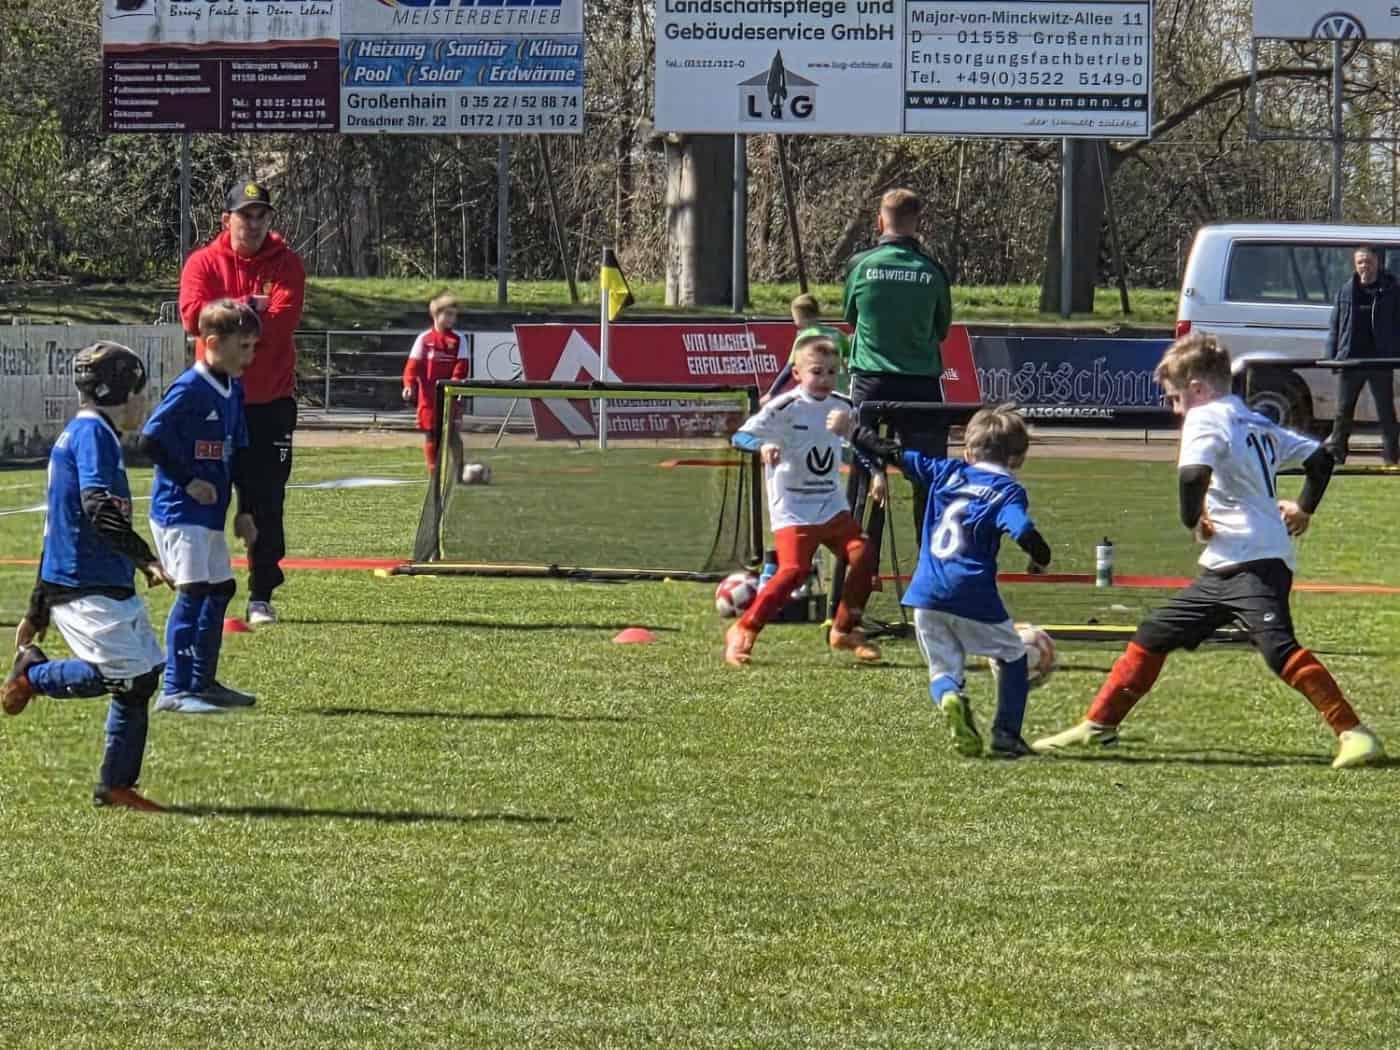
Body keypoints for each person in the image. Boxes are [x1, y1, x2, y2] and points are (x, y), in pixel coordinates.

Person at [1033, 333, 1385, 769]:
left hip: (1253, 561)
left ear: (1197, 389)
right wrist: (1304, 508)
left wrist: (1191, 517)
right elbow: (1320, 458)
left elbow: (1191, 475)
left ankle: (1355, 733)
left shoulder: (1204, 419)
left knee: (1278, 648)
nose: (1176, 409)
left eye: (1176, 398)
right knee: (1152, 635)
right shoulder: (1254, 420)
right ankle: (1098, 726)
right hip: (1229, 564)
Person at [1, 342, 174, 812]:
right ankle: (35, 675)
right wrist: (147, 558)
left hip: (97, 579)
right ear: (123, 393)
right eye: (142, 391)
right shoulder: (94, 436)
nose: (146, 401)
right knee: (123, 674)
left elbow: (54, 524)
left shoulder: (84, 435)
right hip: (86, 581)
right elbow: (97, 507)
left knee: (142, 677)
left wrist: (37, 607)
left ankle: (115, 785)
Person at [833, 404, 1052, 758]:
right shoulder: (1008, 491)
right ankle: (1006, 735)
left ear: (967, 451)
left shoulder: (943, 470)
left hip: (925, 594)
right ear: (1018, 459)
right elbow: (1023, 529)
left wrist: (852, 430)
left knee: (944, 670)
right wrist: (1040, 559)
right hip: (971, 592)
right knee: (1012, 656)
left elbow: (892, 452)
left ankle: (950, 695)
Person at [179, 176, 305, 626]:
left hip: (269, 404)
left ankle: (261, 594)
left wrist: (227, 311)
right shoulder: (202, 262)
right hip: (214, 403)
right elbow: (194, 319)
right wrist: (253, 307)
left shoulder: (287, 263)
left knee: (265, 501)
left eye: (260, 216)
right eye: (244, 216)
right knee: (204, 498)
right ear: (226, 219)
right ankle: (203, 591)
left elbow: (282, 321)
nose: (252, 224)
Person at [726, 335, 884, 668]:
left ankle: (843, 629)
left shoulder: (843, 405)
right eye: (817, 372)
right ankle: (744, 629)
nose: (825, 379)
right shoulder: (783, 407)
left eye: (831, 372)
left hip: (830, 504)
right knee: (794, 571)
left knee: (864, 554)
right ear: (797, 374)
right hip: (792, 507)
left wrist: (877, 475)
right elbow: (740, 436)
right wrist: (763, 446)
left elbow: (858, 446)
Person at [140, 299, 260, 714]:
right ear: (212, 342)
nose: (250, 356)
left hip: (210, 514)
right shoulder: (190, 388)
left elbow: (239, 451)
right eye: (243, 347)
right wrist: (188, 481)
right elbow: (150, 439)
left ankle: (203, 682)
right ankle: (174, 690)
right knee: (192, 592)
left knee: (222, 589)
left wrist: (244, 510)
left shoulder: (233, 388)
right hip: (179, 510)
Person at [841, 187, 953, 540]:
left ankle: (858, 565)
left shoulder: (861, 265)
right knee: (928, 477)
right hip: (920, 383)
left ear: (880, 221)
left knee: (862, 472)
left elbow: (849, 318)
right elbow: (942, 329)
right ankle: (929, 560)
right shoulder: (933, 271)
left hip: (870, 381)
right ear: (917, 223)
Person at [1323, 245, 1400, 465]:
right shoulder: (1346, 291)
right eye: (1360, 262)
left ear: (1377, 262)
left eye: (1368, 261)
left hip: (1380, 360)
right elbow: (1335, 325)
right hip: (1350, 360)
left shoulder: (1391, 290)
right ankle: (1337, 456)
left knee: (1386, 412)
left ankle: (1391, 457)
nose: (1364, 266)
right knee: (1343, 412)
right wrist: (1331, 357)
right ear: (1354, 265)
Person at [402, 293, 470, 473]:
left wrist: (454, 387)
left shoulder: (459, 339)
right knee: (431, 435)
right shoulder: (424, 339)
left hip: (450, 397)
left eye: (454, 315)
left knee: (453, 436)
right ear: (435, 314)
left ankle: (459, 471)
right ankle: (434, 472)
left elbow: (461, 367)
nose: (451, 318)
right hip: (428, 399)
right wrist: (408, 385)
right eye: (448, 314)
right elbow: (412, 366)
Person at [760, 293, 851, 406]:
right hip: (839, 391)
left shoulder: (804, 338)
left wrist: (771, 393)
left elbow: (790, 368)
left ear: (799, 316)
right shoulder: (838, 333)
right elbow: (849, 362)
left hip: (816, 391)